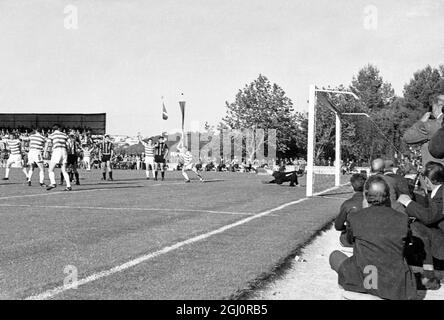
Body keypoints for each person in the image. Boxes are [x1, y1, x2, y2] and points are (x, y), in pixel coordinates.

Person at [329, 176, 417, 300]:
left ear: (366, 196)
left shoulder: (355, 217)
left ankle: (349, 289)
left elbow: (349, 240)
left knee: (335, 256)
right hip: (394, 282)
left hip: (365, 277)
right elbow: (407, 244)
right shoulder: (402, 218)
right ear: (387, 197)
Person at [398, 161, 444, 289]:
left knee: (416, 227)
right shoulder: (438, 191)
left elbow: (429, 217)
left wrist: (408, 203)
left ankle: (428, 276)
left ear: (428, 180)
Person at [403, 93, 444, 167]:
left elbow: (407, 137)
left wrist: (421, 122)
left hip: (435, 174)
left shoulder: (431, 126)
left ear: (436, 106)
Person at [334, 173, 366, 247]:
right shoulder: (373, 202)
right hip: (368, 240)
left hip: (350, 241)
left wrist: (346, 228)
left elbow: (338, 226)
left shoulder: (347, 204)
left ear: (352, 187)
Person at [44, 124, 71, 191]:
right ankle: (68, 186)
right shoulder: (64, 135)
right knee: (64, 170)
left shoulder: (52, 135)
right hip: (64, 151)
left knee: (50, 169)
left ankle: (53, 183)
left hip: (57, 151)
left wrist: (45, 152)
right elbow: (69, 144)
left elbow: (48, 143)